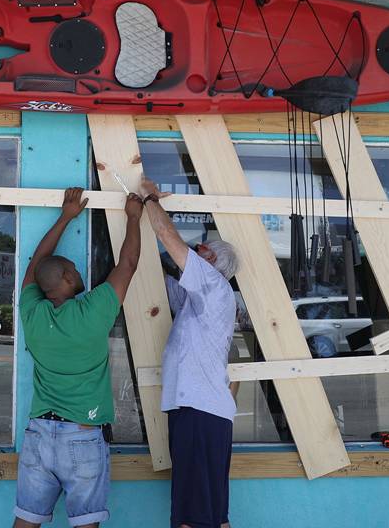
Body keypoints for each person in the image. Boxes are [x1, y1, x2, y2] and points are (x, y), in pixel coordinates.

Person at [13, 187, 144, 528]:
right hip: (81, 438)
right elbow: (128, 264)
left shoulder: (31, 312)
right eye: (73, 267)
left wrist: (65, 217)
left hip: (39, 433)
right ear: (69, 278)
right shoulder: (91, 311)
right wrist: (133, 215)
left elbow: (35, 267)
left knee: (25, 523)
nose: (77, 269)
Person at [140, 177, 239, 528]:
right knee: (210, 513)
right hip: (200, 410)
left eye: (203, 249)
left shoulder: (212, 285)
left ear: (213, 262)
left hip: (199, 410)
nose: (195, 251)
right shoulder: (197, 300)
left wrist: (150, 198)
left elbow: (169, 239)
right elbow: (155, 278)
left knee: (192, 518)